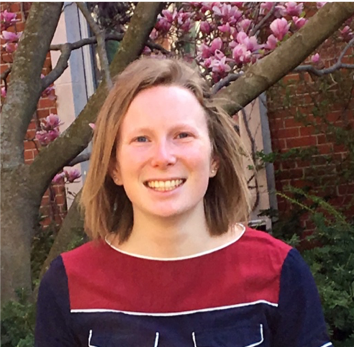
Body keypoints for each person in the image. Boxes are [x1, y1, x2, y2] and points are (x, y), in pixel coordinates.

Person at [35, 57, 332, 347]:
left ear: (214, 158)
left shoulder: (278, 270)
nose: (163, 157)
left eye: (182, 135)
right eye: (141, 139)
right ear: (114, 167)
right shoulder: (69, 283)